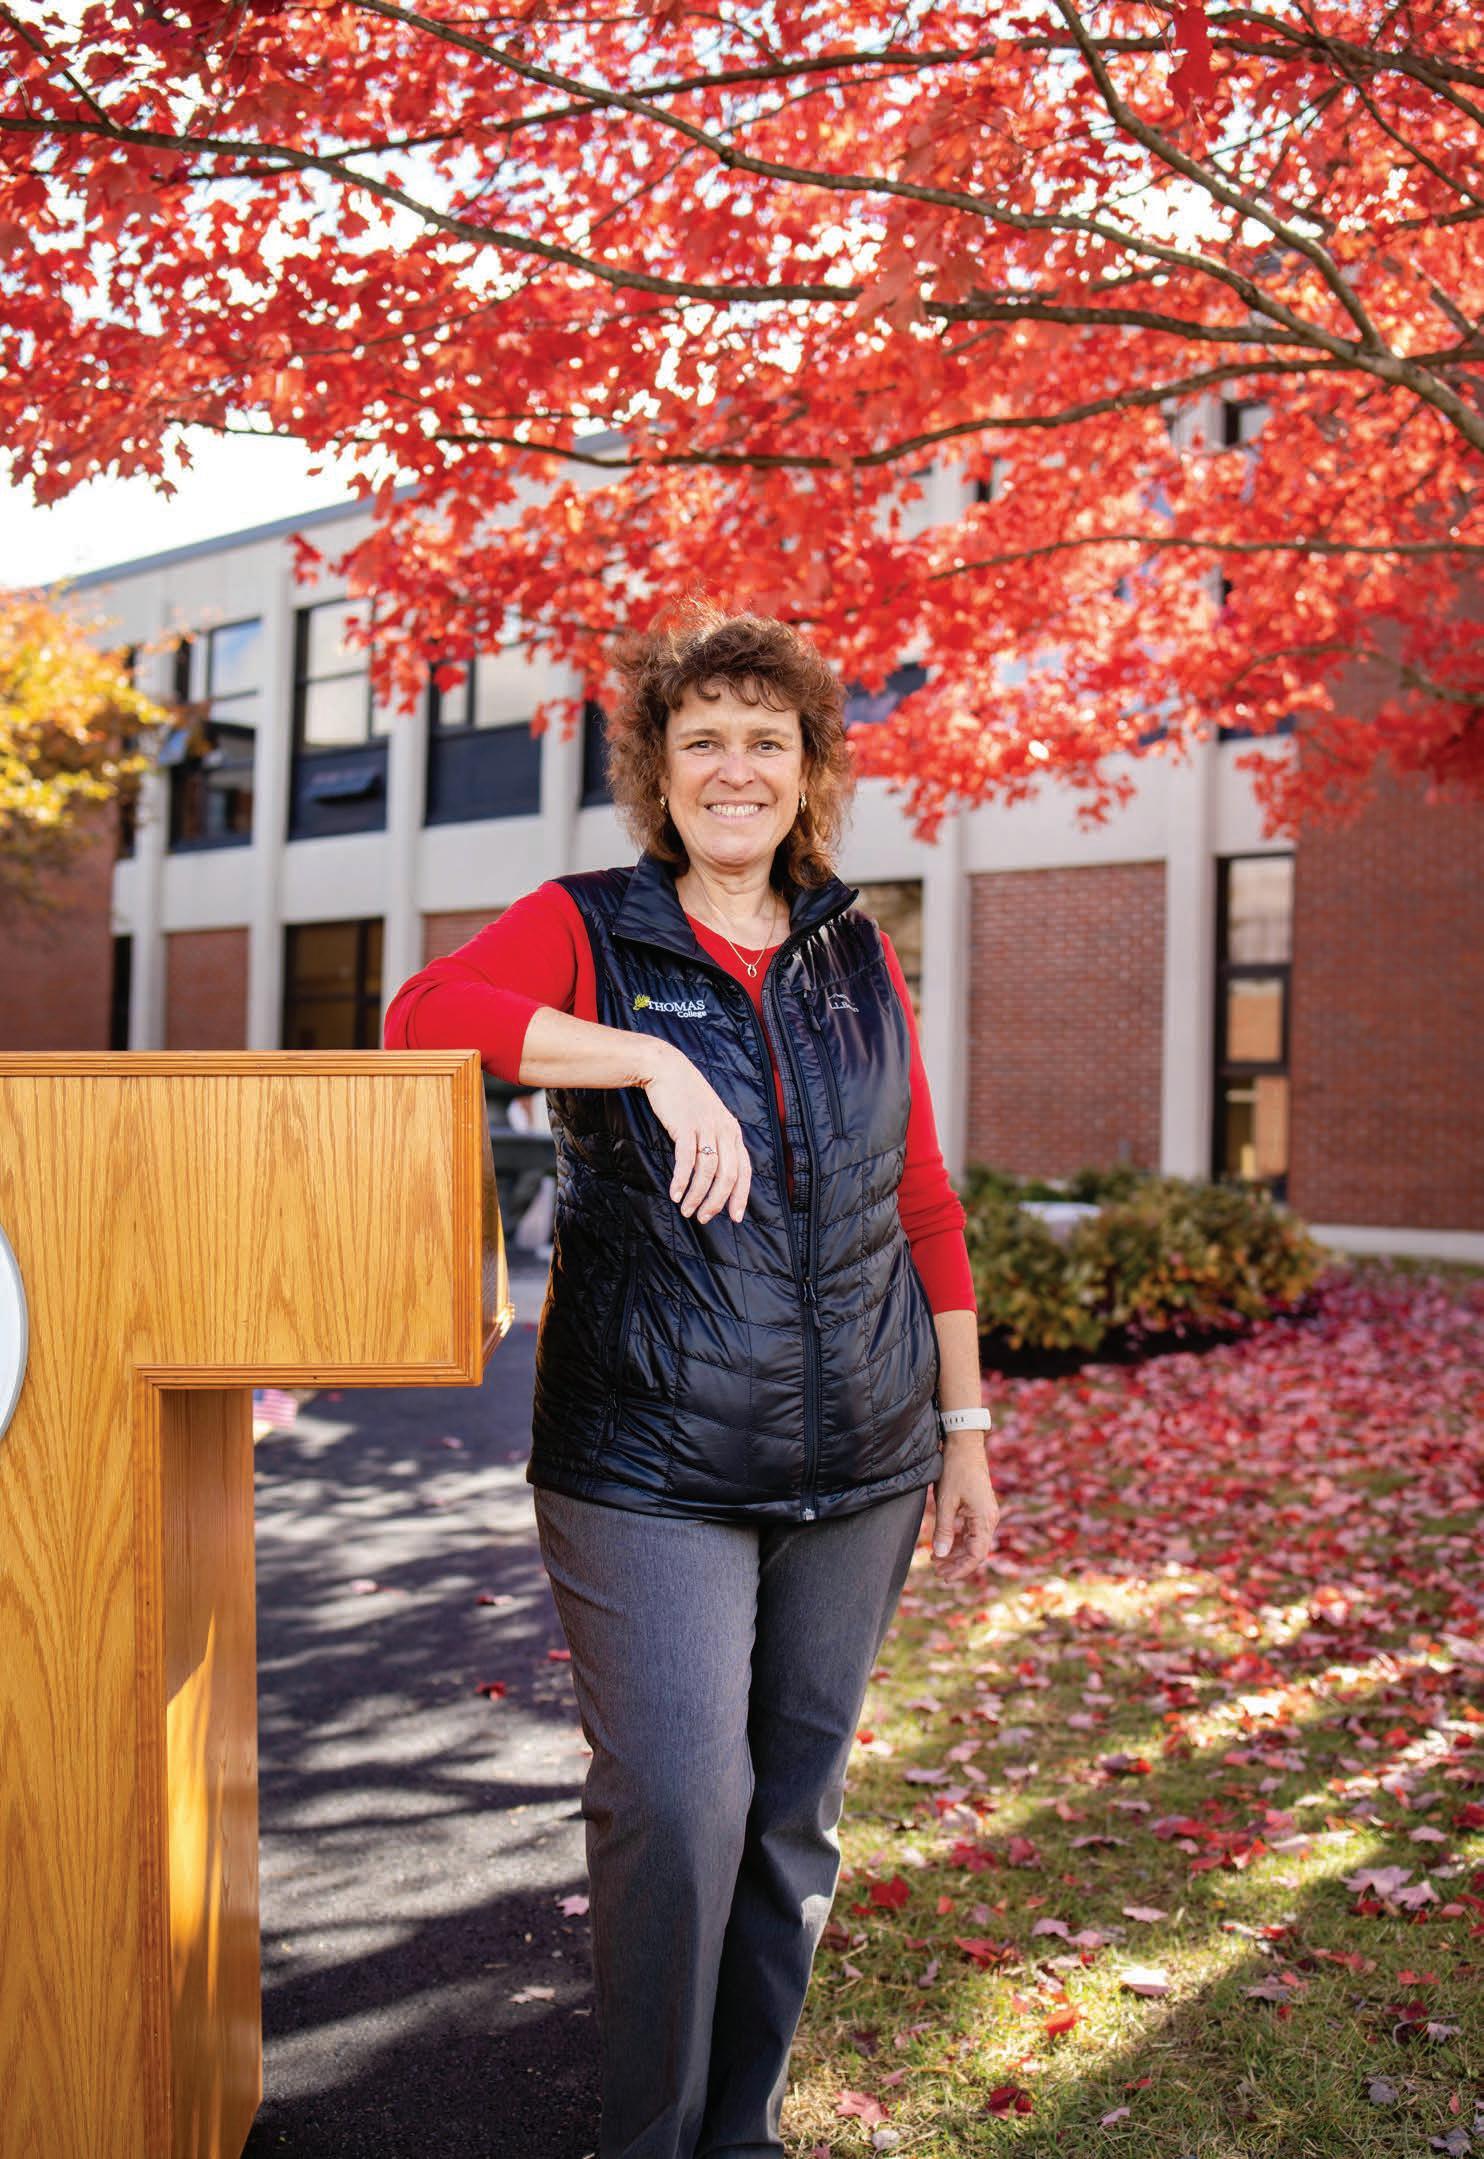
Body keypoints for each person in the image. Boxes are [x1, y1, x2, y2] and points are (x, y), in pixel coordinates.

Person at [383, 607, 999, 2159]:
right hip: (647, 1462)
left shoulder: (859, 951)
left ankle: (744, 2132)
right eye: (702, 737)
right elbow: (424, 1019)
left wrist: (966, 1427)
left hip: (864, 1457)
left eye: (766, 740)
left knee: (792, 1819)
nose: (735, 767)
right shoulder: (588, 923)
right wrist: (647, 1059)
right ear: (660, 769)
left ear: (809, 773)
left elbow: (921, 1197)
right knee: (678, 1800)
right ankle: (647, 2138)